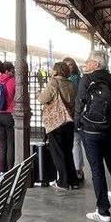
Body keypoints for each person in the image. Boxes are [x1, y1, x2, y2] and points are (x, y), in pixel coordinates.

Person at [77, 51, 111, 222]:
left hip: (91, 132)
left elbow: (80, 103)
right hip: (110, 132)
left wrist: (79, 124)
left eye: (88, 61)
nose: (85, 63)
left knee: (97, 170)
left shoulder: (86, 80)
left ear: (96, 64)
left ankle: (103, 211)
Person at [39, 61, 78, 189]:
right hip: (69, 121)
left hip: (56, 122)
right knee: (68, 152)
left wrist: (39, 94)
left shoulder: (53, 83)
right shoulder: (71, 84)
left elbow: (43, 99)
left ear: (56, 71)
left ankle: (63, 182)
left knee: (58, 153)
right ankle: (73, 180)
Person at [0, 59, 17, 174]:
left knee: (2, 143)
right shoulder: (13, 81)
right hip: (9, 115)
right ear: (8, 71)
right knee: (10, 143)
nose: (13, 73)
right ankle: (10, 170)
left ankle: (2, 170)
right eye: (12, 71)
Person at [64, 56, 86, 182]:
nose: (68, 67)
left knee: (75, 141)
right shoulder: (76, 78)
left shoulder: (74, 80)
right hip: (75, 113)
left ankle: (77, 169)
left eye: (70, 64)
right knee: (75, 142)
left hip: (73, 114)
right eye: (66, 65)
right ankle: (78, 168)